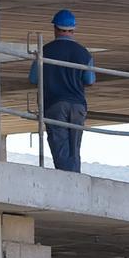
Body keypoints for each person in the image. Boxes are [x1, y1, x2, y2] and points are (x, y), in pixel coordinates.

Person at [28, 9, 95, 173]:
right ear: (73, 29)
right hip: (78, 105)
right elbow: (90, 80)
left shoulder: (46, 51)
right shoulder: (83, 53)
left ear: (55, 29)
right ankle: (75, 178)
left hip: (55, 104)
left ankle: (69, 181)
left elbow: (34, 78)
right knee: (74, 147)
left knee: (60, 147)